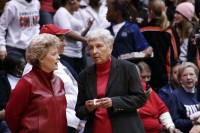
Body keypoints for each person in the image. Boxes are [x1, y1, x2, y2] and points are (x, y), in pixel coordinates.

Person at [75, 28, 147, 133]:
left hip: (125, 128)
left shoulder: (127, 68)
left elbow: (140, 98)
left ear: (110, 47)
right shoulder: (84, 75)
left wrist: (114, 102)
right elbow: (79, 111)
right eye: (90, 48)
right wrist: (87, 108)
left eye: (99, 46)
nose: (94, 51)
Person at [23, 24, 83, 133]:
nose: (64, 43)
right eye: (61, 40)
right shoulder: (34, 67)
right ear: (48, 43)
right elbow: (42, 101)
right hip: (52, 123)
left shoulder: (60, 63)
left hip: (70, 120)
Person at [5, 33, 67, 133]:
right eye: (54, 54)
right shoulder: (26, 83)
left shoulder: (59, 81)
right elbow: (11, 115)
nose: (58, 57)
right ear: (40, 58)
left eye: (58, 53)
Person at [140, 0, 180, 90]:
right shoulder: (170, 30)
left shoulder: (142, 29)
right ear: (164, 10)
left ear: (150, 11)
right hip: (165, 77)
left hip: (146, 76)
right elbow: (176, 54)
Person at [137, 61, 182, 133]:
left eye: (148, 77)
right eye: (143, 77)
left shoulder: (149, 89)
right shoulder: (127, 90)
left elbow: (162, 109)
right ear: (136, 76)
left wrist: (170, 126)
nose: (146, 80)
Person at [53, 0, 93, 74]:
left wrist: (87, 28)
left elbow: (78, 35)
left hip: (77, 53)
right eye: (77, 1)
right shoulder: (62, 12)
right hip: (67, 54)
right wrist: (86, 40)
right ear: (71, 1)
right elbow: (67, 32)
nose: (79, 3)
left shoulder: (70, 14)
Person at [167, 62, 200, 133]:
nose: (188, 77)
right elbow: (174, 121)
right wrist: (192, 122)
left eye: (191, 74)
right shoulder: (175, 95)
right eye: (185, 75)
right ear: (180, 79)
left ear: (197, 77)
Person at [0, 52, 26, 133]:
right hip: (7, 118)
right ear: (18, 68)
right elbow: (3, 104)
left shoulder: (28, 79)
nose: (26, 66)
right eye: (24, 64)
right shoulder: (2, 80)